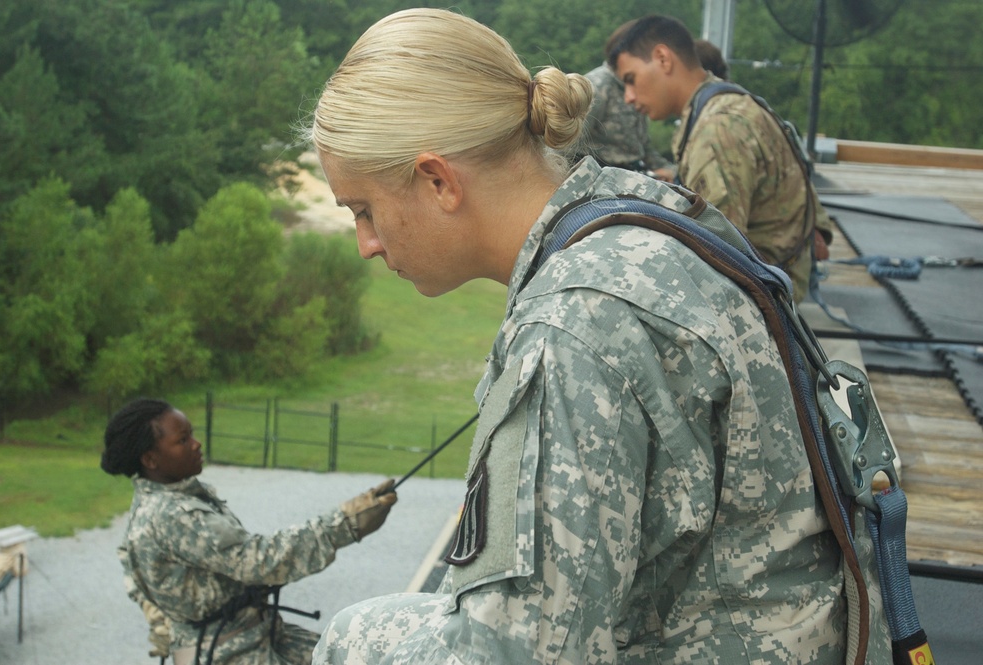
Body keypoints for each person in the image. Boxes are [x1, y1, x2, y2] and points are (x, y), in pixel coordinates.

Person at [308, 7, 844, 664]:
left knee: (350, 639)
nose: (366, 244)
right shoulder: (637, 216)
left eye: (364, 210)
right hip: (771, 627)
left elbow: (521, 652)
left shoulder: (573, 328)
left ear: (437, 180)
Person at [100, 398, 397, 665]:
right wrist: (345, 524)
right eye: (183, 440)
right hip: (228, 651)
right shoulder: (172, 514)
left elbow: (130, 557)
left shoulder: (175, 498)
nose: (196, 444)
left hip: (256, 632)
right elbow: (257, 560)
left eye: (192, 434)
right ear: (150, 460)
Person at [610, 15, 831, 302]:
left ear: (663, 58)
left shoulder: (715, 129)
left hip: (766, 300)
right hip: (774, 280)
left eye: (631, 80)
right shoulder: (721, 104)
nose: (628, 96)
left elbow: (719, 259)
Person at [567, 20, 675, 181]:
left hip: (633, 175)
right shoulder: (596, 87)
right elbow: (566, 144)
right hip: (599, 179)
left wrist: (668, 170)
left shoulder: (640, 86)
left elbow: (642, 146)